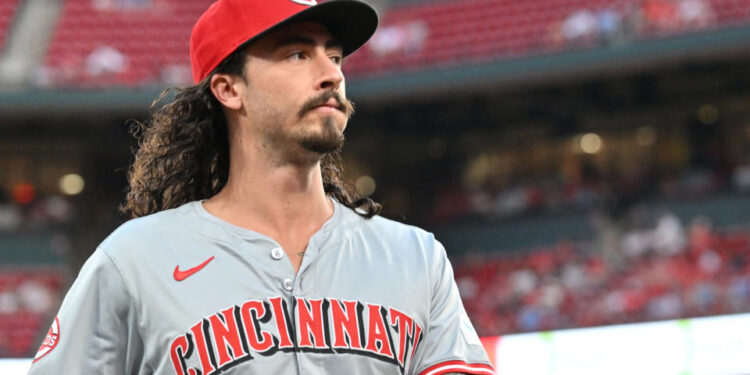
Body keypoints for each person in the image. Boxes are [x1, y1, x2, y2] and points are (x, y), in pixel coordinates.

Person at [28, 0, 493, 374]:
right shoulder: (134, 263)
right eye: (297, 54)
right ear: (229, 89)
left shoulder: (416, 257)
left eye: (333, 55)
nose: (332, 73)